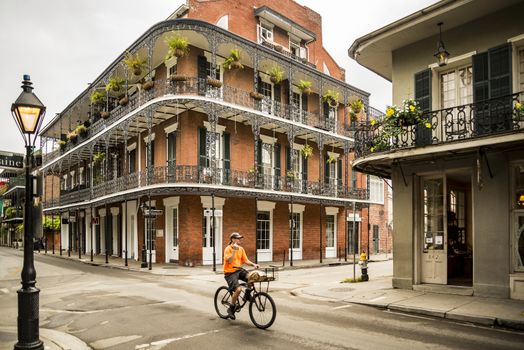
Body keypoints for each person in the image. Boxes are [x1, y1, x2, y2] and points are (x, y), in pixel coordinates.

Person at [223, 232, 259, 320]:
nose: (240, 240)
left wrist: (254, 264)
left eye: (240, 238)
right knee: (238, 289)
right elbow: (230, 260)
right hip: (230, 273)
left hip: (238, 270)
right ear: (233, 239)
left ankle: (247, 294)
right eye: (238, 238)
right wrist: (234, 250)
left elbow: (245, 260)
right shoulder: (228, 249)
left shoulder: (241, 249)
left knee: (252, 276)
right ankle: (231, 308)